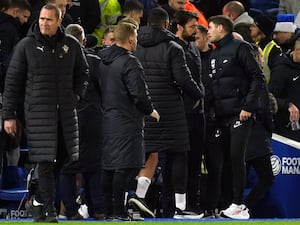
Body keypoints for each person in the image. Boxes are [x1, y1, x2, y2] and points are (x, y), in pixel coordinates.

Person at [2, 3, 89, 222]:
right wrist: (8, 115)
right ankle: (49, 209)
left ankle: (37, 201)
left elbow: (83, 72)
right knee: (46, 161)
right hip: (39, 115)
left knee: (64, 159)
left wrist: (77, 95)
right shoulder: (26, 46)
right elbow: (12, 82)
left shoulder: (71, 46)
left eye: (49, 20)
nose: (43, 23)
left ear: (60, 21)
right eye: (41, 19)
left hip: (66, 115)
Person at [134, 7, 203, 219]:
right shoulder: (173, 47)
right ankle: (181, 207)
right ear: (166, 24)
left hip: (145, 110)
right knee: (179, 154)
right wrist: (199, 93)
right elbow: (183, 79)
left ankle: (138, 198)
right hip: (171, 110)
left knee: (148, 155)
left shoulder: (135, 45)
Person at [98, 19, 160, 221]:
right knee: (126, 167)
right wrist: (150, 110)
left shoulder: (102, 60)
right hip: (127, 120)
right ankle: (118, 211)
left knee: (109, 167)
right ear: (132, 39)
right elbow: (139, 94)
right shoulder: (130, 62)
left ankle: (108, 211)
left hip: (107, 119)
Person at [207, 15, 265, 219]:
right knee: (225, 161)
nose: (208, 31)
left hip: (240, 113)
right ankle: (228, 204)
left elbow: (257, 77)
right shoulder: (215, 53)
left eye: (210, 28)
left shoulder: (241, 48)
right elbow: (215, 85)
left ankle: (239, 204)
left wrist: (248, 106)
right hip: (222, 116)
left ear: (221, 28)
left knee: (236, 157)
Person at [59, 23, 104, 220]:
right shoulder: (95, 60)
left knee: (68, 167)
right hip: (93, 118)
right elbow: (104, 90)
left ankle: (70, 211)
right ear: (84, 40)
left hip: (67, 118)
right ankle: (98, 210)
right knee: (93, 164)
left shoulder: (55, 60)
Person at [172, 10, 205, 214]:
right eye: (192, 27)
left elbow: (198, 79)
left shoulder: (193, 48)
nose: (195, 30)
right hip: (180, 113)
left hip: (197, 113)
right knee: (180, 161)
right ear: (179, 27)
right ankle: (178, 206)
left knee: (194, 161)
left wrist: (200, 99)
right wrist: (194, 97)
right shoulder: (173, 49)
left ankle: (192, 205)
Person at [268, 37, 300, 142]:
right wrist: (288, 105)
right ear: (297, 51)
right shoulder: (282, 68)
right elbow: (269, 97)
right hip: (287, 127)